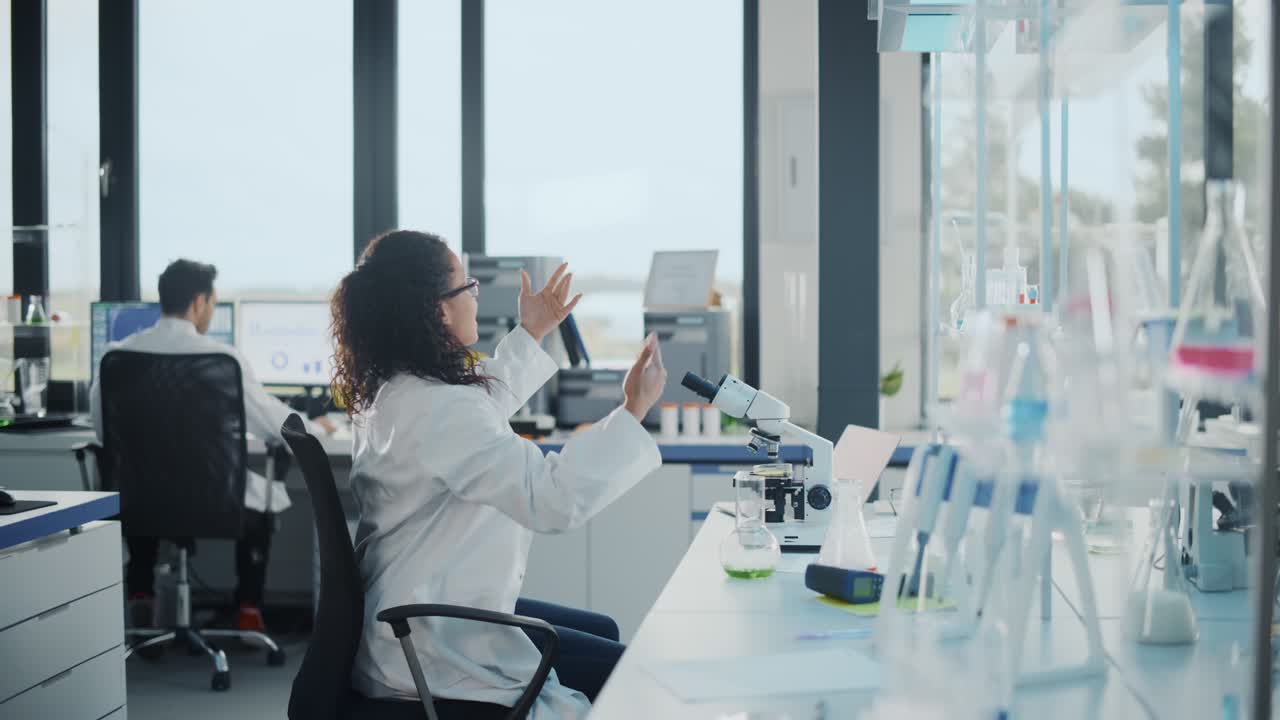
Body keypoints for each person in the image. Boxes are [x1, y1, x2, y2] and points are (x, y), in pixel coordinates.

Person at [332, 231, 667, 718]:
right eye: (466, 286)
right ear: (439, 310)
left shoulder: (400, 391)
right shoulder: (440, 408)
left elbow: (478, 413)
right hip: (433, 645)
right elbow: (552, 498)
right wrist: (634, 409)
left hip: (408, 623)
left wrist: (532, 332)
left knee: (604, 634)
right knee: (634, 677)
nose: (475, 295)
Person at [89, 259, 335, 636]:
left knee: (143, 484)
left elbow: (103, 429)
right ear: (200, 302)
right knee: (265, 493)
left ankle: (141, 594)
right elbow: (274, 422)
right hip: (215, 499)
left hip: (139, 500)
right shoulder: (223, 360)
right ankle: (248, 607)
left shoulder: (115, 358)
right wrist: (315, 426)